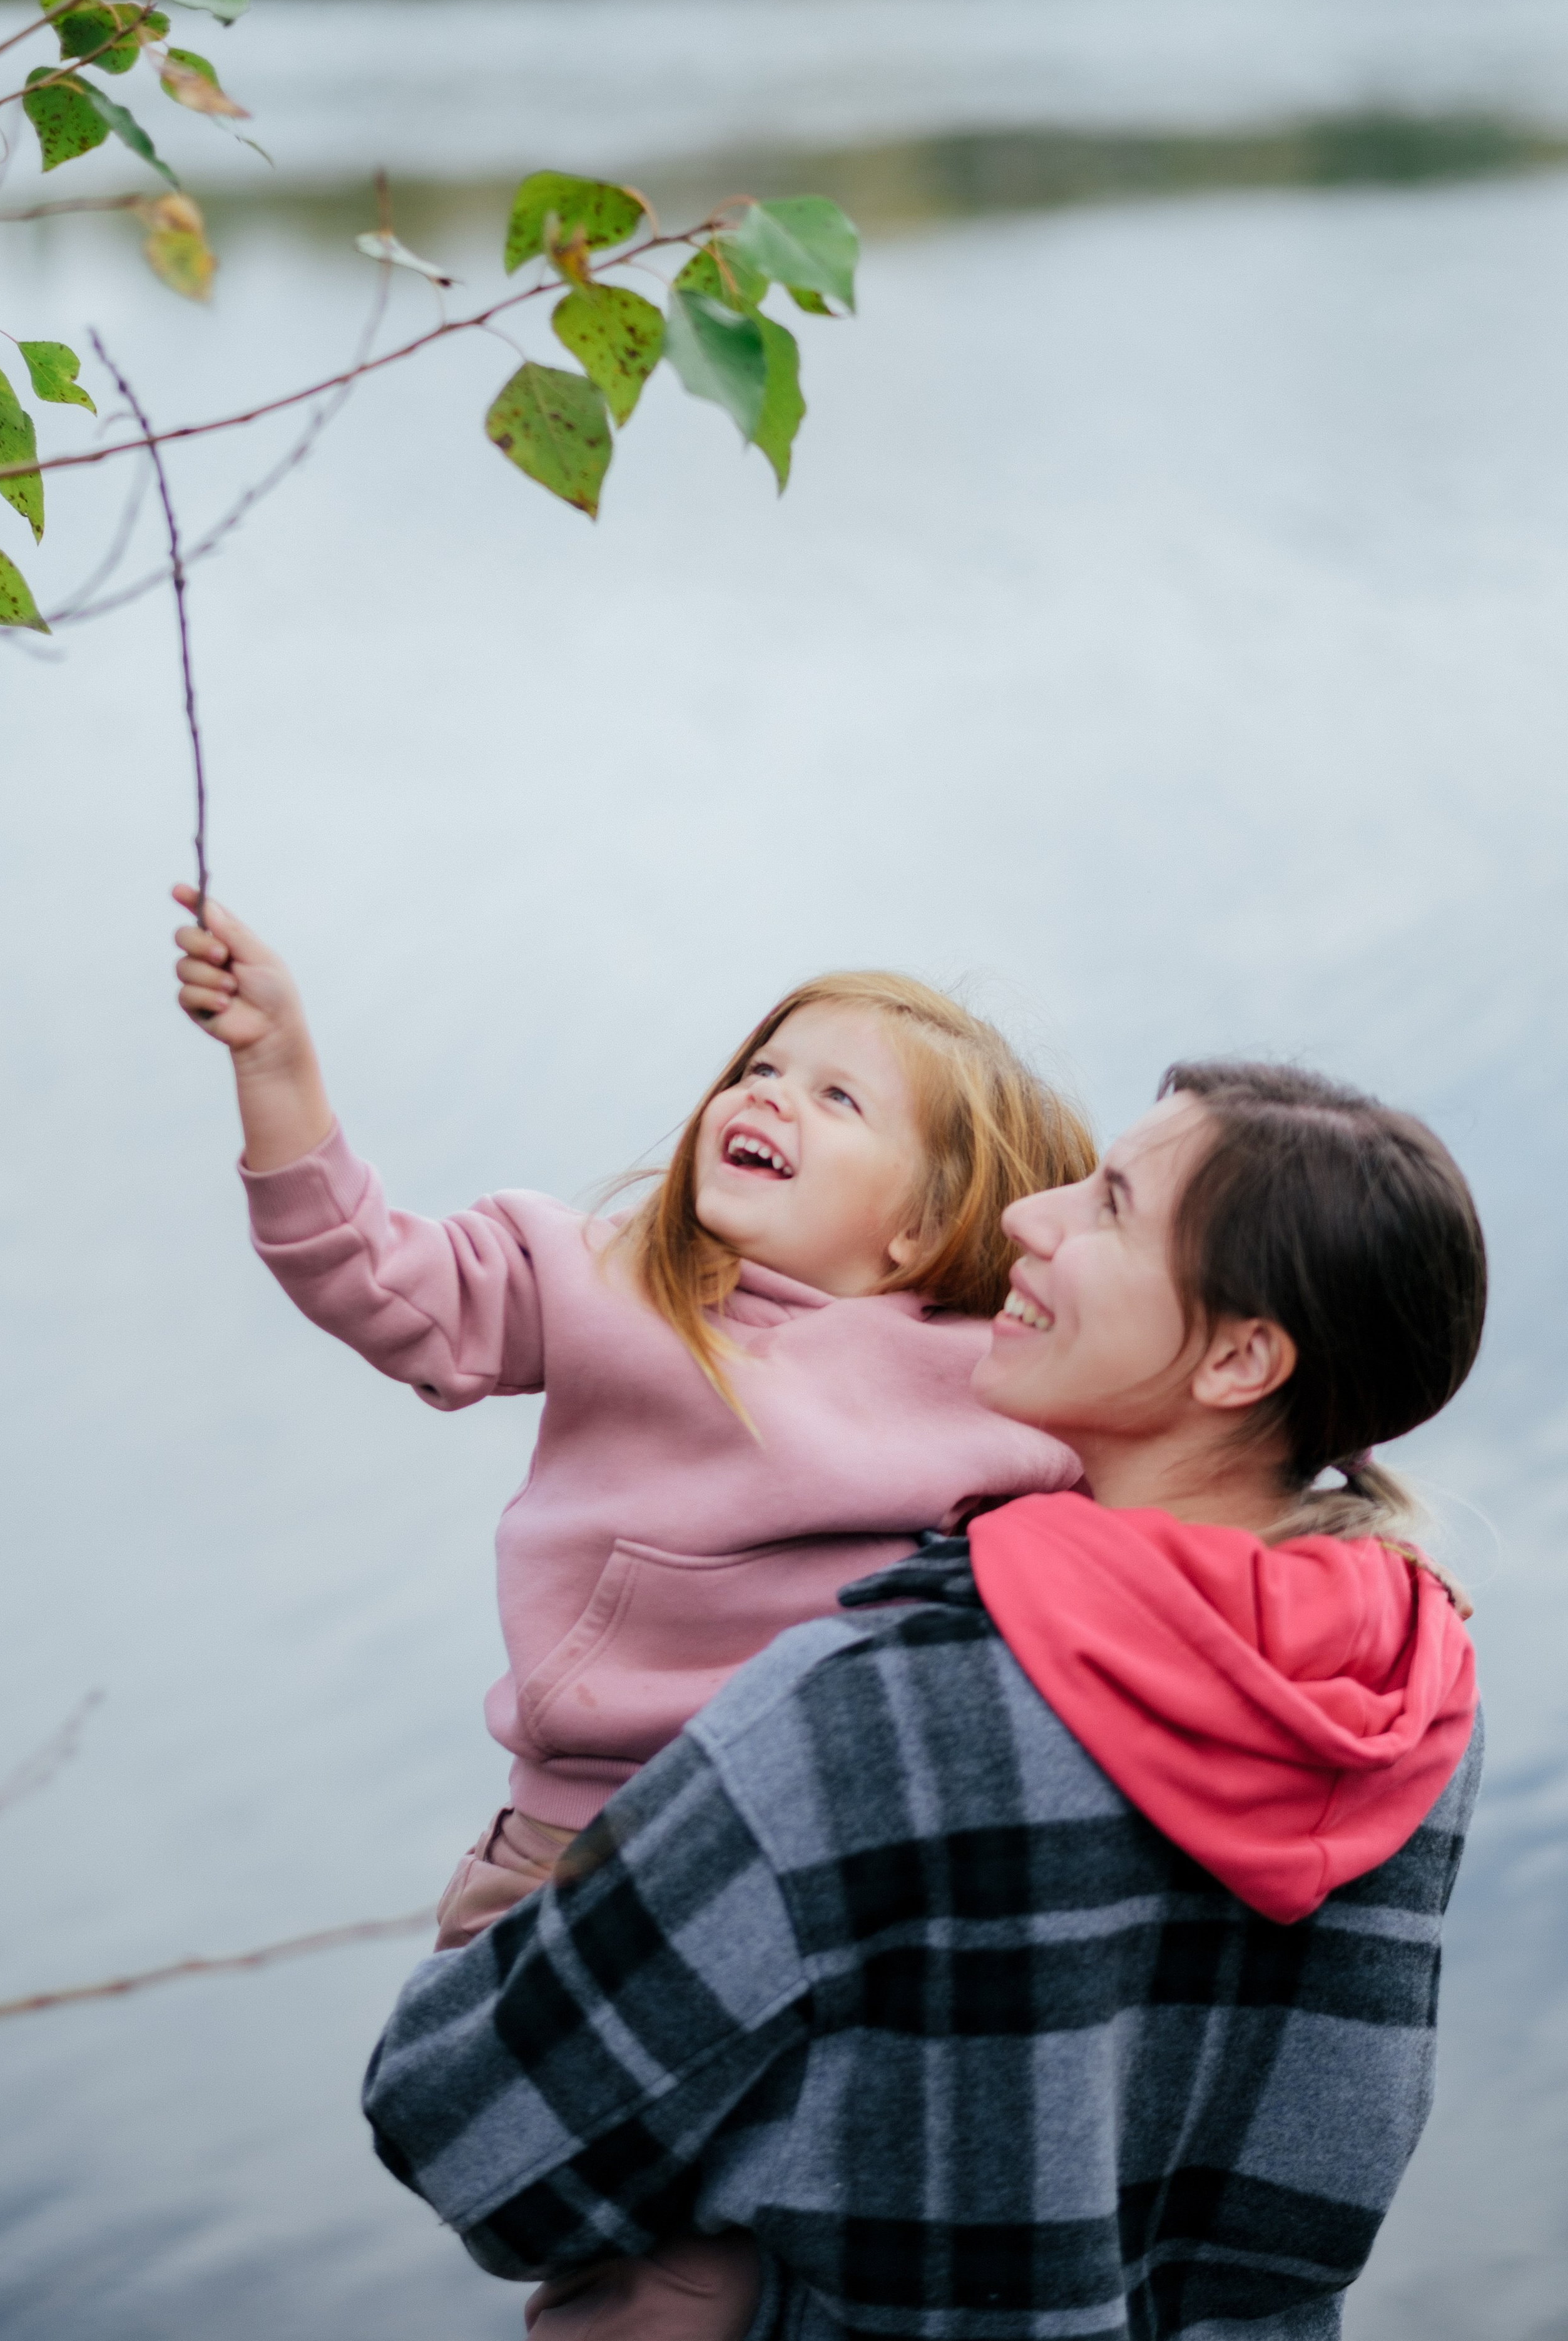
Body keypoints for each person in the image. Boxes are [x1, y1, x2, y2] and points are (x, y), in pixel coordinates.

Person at [362, 1061, 1485, 2341]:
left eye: (1109, 1206)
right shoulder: (1411, 1695)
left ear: (1239, 1359)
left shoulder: (872, 1714)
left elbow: (467, 2127)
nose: (1027, 1217)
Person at [171, 890, 1095, 2338]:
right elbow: (375, 1276)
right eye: (761, 1067)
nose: (766, 1094)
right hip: (579, 1863)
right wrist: (276, 1060)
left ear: (921, 1226)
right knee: (665, 2280)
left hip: (820, 1885)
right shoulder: (610, 1283)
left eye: (833, 1094)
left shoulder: (999, 1387)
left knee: (855, 2241)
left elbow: (1166, 1494)